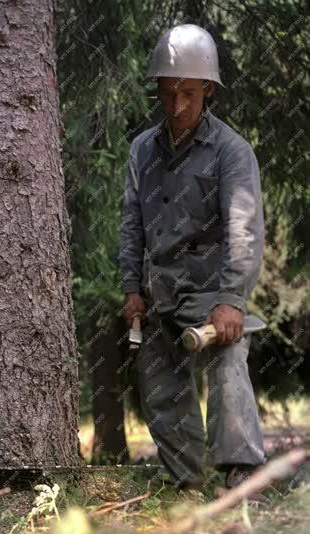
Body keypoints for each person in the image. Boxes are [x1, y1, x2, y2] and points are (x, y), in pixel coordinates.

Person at [119, 25, 266, 499]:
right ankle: (187, 481)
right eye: (168, 93)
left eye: (188, 93)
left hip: (211, 290)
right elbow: (132, 225)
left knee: (228, 360)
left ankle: (239, 473)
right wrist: (131, 288)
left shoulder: (231, 151)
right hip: (159, 287)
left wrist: (231, 300)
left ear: (208, 89)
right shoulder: (142, 149)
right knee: (159, 384)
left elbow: (243, 229)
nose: (177, 104)